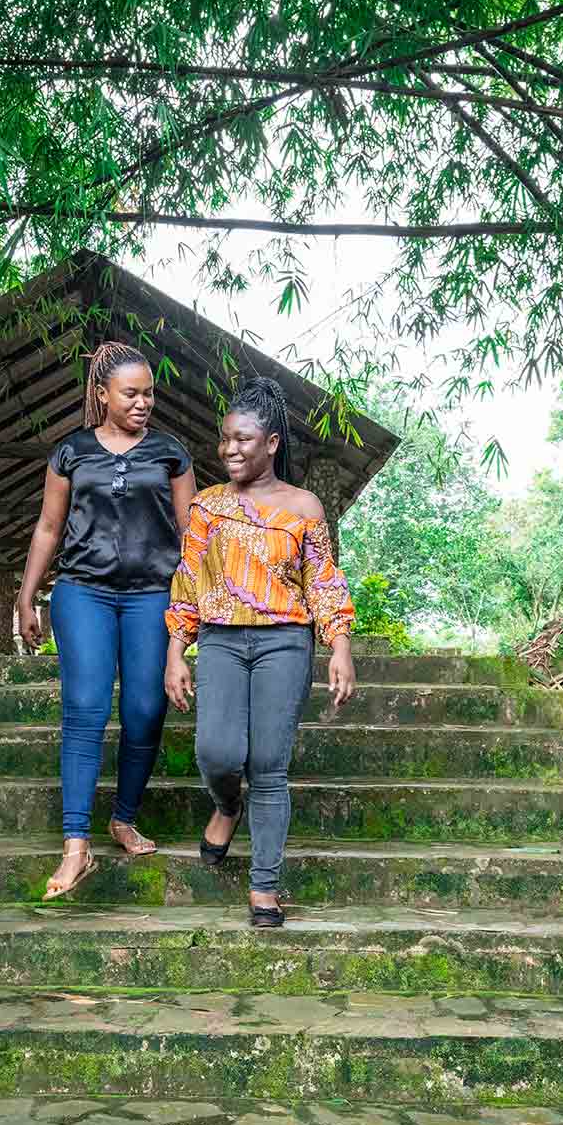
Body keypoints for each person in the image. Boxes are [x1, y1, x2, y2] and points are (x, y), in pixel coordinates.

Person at [163, 376, 356, 929]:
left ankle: (265, 887)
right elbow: (189, 580)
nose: (230, 449)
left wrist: (339, 647)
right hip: (221, 638)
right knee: (217, 753)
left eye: (243, 439)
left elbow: (323, 582)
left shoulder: (304, 507)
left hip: (284, 641)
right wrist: (177, 650)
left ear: (271, 444)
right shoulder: (207, 508)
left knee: (270, 765)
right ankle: (227, 806)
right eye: (225, 439)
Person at [18, 341, 197, 899]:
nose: (143, 402)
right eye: (131, 393)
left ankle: (123, 817)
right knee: (85, 707)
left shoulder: (172, 454)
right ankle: (76, 844)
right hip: (83, 592)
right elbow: (49, 527)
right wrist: (27, 597)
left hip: (152, 594)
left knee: (145, 708)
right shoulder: (70, 453)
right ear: (102, 395)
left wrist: (198, 605)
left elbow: (192, 532)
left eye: (149, 393)